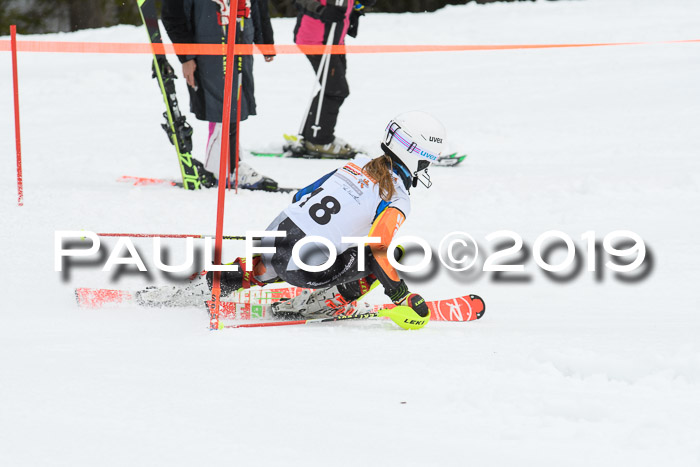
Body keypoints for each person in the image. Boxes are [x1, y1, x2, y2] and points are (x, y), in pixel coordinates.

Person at [210, 110, 446, 320]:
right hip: (302, 267)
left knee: (280, 258)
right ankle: (324, 304)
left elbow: (300, 196)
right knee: (392, 254)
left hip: (274, 236)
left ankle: (212, 282)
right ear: (417, 157)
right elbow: (378, 250)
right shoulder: (397, 197)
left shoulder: (355, 164)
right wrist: (401, 295)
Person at [161, 0, 278, 191]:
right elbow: (174, 15)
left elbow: (257, 6)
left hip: (239, 43)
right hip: (208, 46)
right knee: (220, 106)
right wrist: (187, 56)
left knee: (235, 106)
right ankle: (222, 168)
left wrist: (265, 41)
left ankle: (231, 164)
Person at [293, 0, 375, 157]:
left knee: (332, 88)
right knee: (336, 90)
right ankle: (319, 140)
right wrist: (321, 11)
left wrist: (360, 4)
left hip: (335, 38)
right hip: (316, 40)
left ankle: (313, 134)